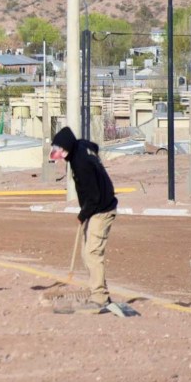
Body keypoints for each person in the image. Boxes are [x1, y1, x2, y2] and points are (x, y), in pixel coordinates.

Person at [50, 126, 118, 313]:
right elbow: (94, 146)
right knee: (86, 252)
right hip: (97, 207)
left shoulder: (81, 163)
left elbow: (94, 196)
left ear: (66, 148)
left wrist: (82, 215)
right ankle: (100, 291)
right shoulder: (82, 146)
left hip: (101, 209)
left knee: (92, 253)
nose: (60, 155)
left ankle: (99, 298)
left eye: (60, 151)